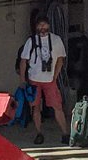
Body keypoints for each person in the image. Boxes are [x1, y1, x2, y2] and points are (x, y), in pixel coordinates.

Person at [17, 15, 67, 144]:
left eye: (44, 25)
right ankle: (39, 133)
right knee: (36, 107)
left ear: (49, 26)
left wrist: (55, 76)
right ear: (36, 27)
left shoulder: (56, 40)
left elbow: (60, 60)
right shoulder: (31, 41)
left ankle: (65, 133)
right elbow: (23, 61)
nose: (42, 28)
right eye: (40, 25)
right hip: (34, 80)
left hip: (50, 80)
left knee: (57, 106)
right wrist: (23, 80)